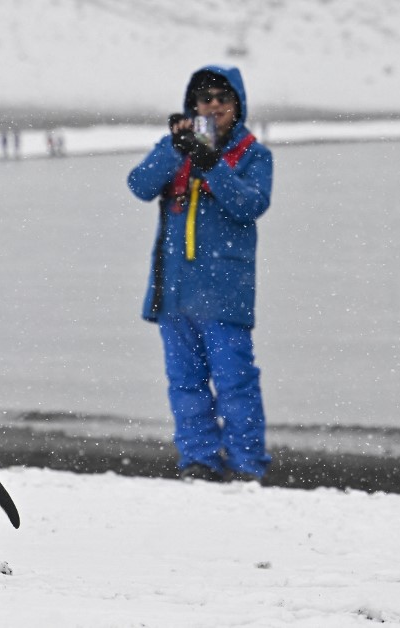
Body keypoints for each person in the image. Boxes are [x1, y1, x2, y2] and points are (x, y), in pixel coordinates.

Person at [127, 65, 273, 482]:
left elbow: (249, 205)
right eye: (205, 99)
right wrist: (176, 150)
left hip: (225, 292)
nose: (214, 106)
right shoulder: (176, 147)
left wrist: (212, 164)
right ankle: (199, 460)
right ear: (192, 106)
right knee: (185, 382)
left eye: (223, 99)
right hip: (174, 292)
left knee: (236, 382)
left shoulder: (256, 156)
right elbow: (139, 185)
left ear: (237, 105)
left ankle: (246, 464)